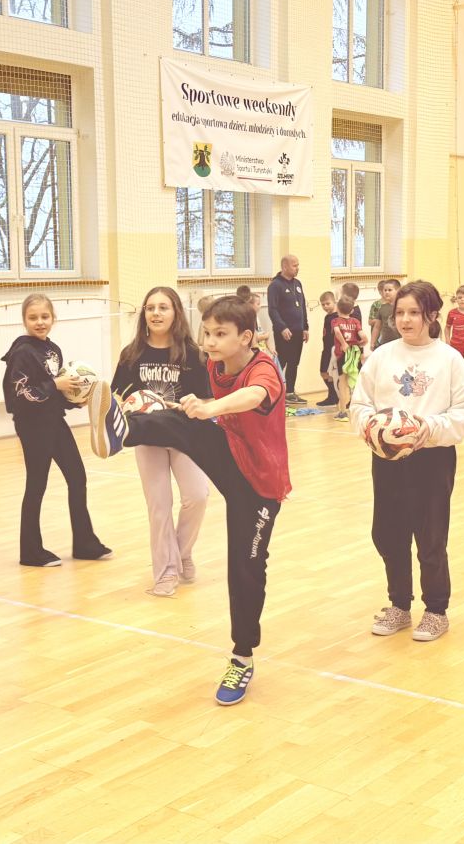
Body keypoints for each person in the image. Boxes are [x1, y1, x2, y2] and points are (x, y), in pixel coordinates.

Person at [85, 296, 289, 706]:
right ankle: (122, 432)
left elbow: (253, 396)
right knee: (181, 419)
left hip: (260, 484)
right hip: (231, 456)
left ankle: (242, 657)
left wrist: (212, 407)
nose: (209, 342)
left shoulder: (263, 367)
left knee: (245, 569)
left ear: (246, 337)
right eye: (206, 333)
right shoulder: (213, 363)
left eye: (220, 334)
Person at [350, 280, 464, 642]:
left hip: (432, 460)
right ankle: (399, 605)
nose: (405, 320)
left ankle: (436, 610)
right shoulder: (382, 356)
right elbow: (360, 403)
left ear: (432, 315)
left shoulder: (449, 359)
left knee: (430, 536)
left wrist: (430, 428)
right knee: (388, 533)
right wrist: (372, 426)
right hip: (387, 461)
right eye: (400, 313)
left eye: (414, 313)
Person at [111, 286, 210, 597]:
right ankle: (166, 572)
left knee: (198, 496)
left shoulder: (193, 354)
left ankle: (181, 552)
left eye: (163, 307)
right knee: (159, 506)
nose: (156, 313)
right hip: (148, 438)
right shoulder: (131, 354)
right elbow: (118, 397)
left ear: (176, 313)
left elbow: (206, 399)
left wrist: (187, 406)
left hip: (185, 435)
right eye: (150, 308)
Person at [1, 294, 111, 567]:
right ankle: (30, 552)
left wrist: (75, 400)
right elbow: (20, 394)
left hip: (53, 421)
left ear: (53, 318)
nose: (40, 322)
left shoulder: (53, 349)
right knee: (37, 484)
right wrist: (55, 385)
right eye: (33, 317)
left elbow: (53, 395)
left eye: (45, 316)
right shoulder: (22, 352)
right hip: (32, 426)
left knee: (77, 477)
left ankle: (84, 544)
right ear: (24, 320)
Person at [266, 255, 308, 403]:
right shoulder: (275, 285)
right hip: (284, 333)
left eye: (298, 265)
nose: (297, 268)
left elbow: (302, 307)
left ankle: (290, 392)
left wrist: (305, 327)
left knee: (294, 363)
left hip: (298, 331)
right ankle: (272, 393)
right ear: (284, 267)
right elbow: (272, 310)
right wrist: (282, 327)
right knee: (281, 362)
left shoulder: (298, 283)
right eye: (294, 265)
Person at [330, 296, 366, 423]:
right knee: (355, 380)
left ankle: (343, 412)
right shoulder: (355, 321)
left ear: (337, 309)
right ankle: (359, 410)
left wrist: (343, 343)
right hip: (354, 354)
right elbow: (363, 336)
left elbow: (337, 332)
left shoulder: (335, 320)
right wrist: (363, 342)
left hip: (343, 354)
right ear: (352, 311)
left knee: (343, 383)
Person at [316, 291, 339, 407]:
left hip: (333, 349)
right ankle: (333, 396)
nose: (325, 306)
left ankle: (335, 396)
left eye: (328, 303)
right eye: (323, 304)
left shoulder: (337, 316)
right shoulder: (327, 317)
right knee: (324, 373)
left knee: (333, 373)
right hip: (326, 349)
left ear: (334, 302)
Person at [368, 279, 400, 352]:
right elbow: (377, 327)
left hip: (399, 342)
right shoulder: (382, 307)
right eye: (385, 290)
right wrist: (372, 342)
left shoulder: (402, 306)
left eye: (390, 290)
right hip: (385, 343)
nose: (386, 292)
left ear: (398, 291)